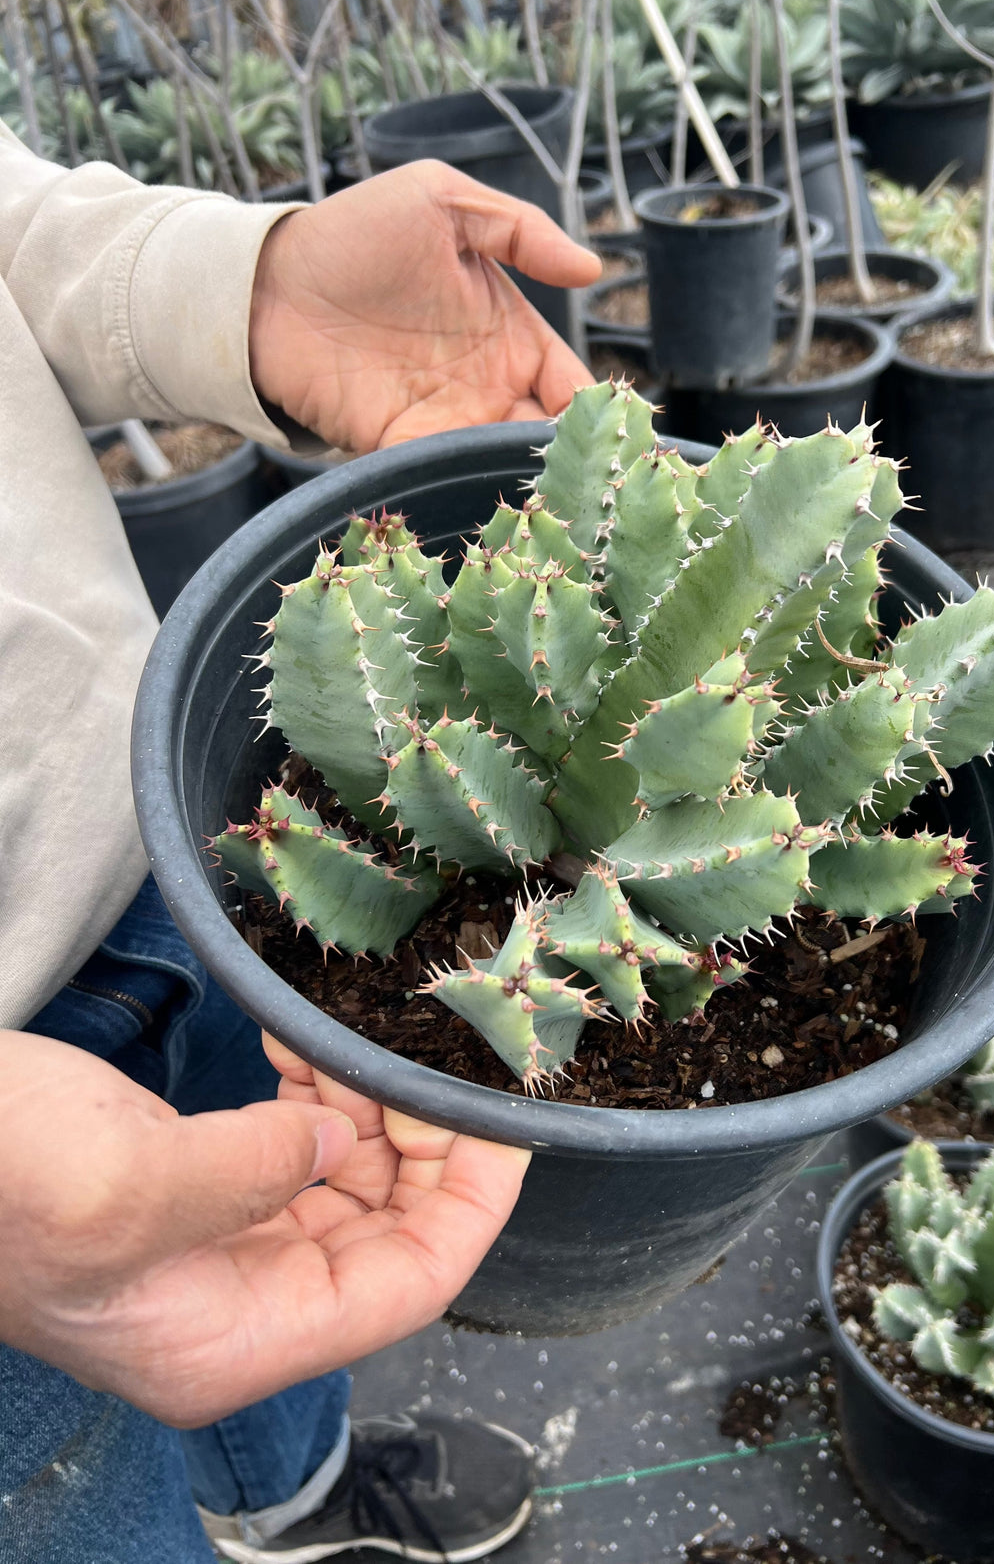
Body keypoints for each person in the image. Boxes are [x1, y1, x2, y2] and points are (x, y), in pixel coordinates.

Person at [0, 124, 601, 1563]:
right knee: (88, 1504)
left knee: (281, 1252)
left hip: (148, 839)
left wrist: (244, 283)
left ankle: (296, 1500)